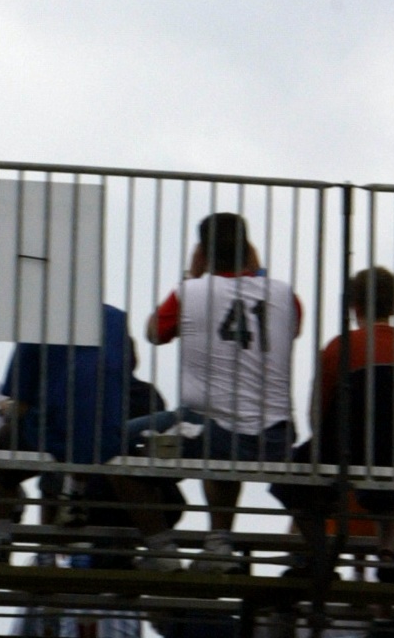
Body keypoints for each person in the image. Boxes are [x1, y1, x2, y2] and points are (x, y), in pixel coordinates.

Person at [123, 212, 300, 571]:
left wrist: (193, 275)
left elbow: (154, 332)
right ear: (249, 249)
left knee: (113, 448)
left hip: (214, 431)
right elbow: (287, 331)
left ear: (202, 252)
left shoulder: (192, 292)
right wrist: (255, 272)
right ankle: (219, 541)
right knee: (224, 430)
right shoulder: (285, 295)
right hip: (275, 436)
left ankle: (161, 549)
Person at [270, 267, 394, 582]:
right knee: (387, 465)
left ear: (355, 306)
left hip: (349, 453)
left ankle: (320, 553)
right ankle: (388, 549)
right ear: (392, 306)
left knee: (289, 479)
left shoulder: (340, 348)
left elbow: (319, 414)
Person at [0, 303, 131, 554]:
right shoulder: (115, 318)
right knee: (87, 432)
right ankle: (75, 493)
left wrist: (10, 413)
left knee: (5, 441)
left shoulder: (42, 317)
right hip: (104, 430)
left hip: (55, 428)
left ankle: (0, 535)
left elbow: (20, 397)